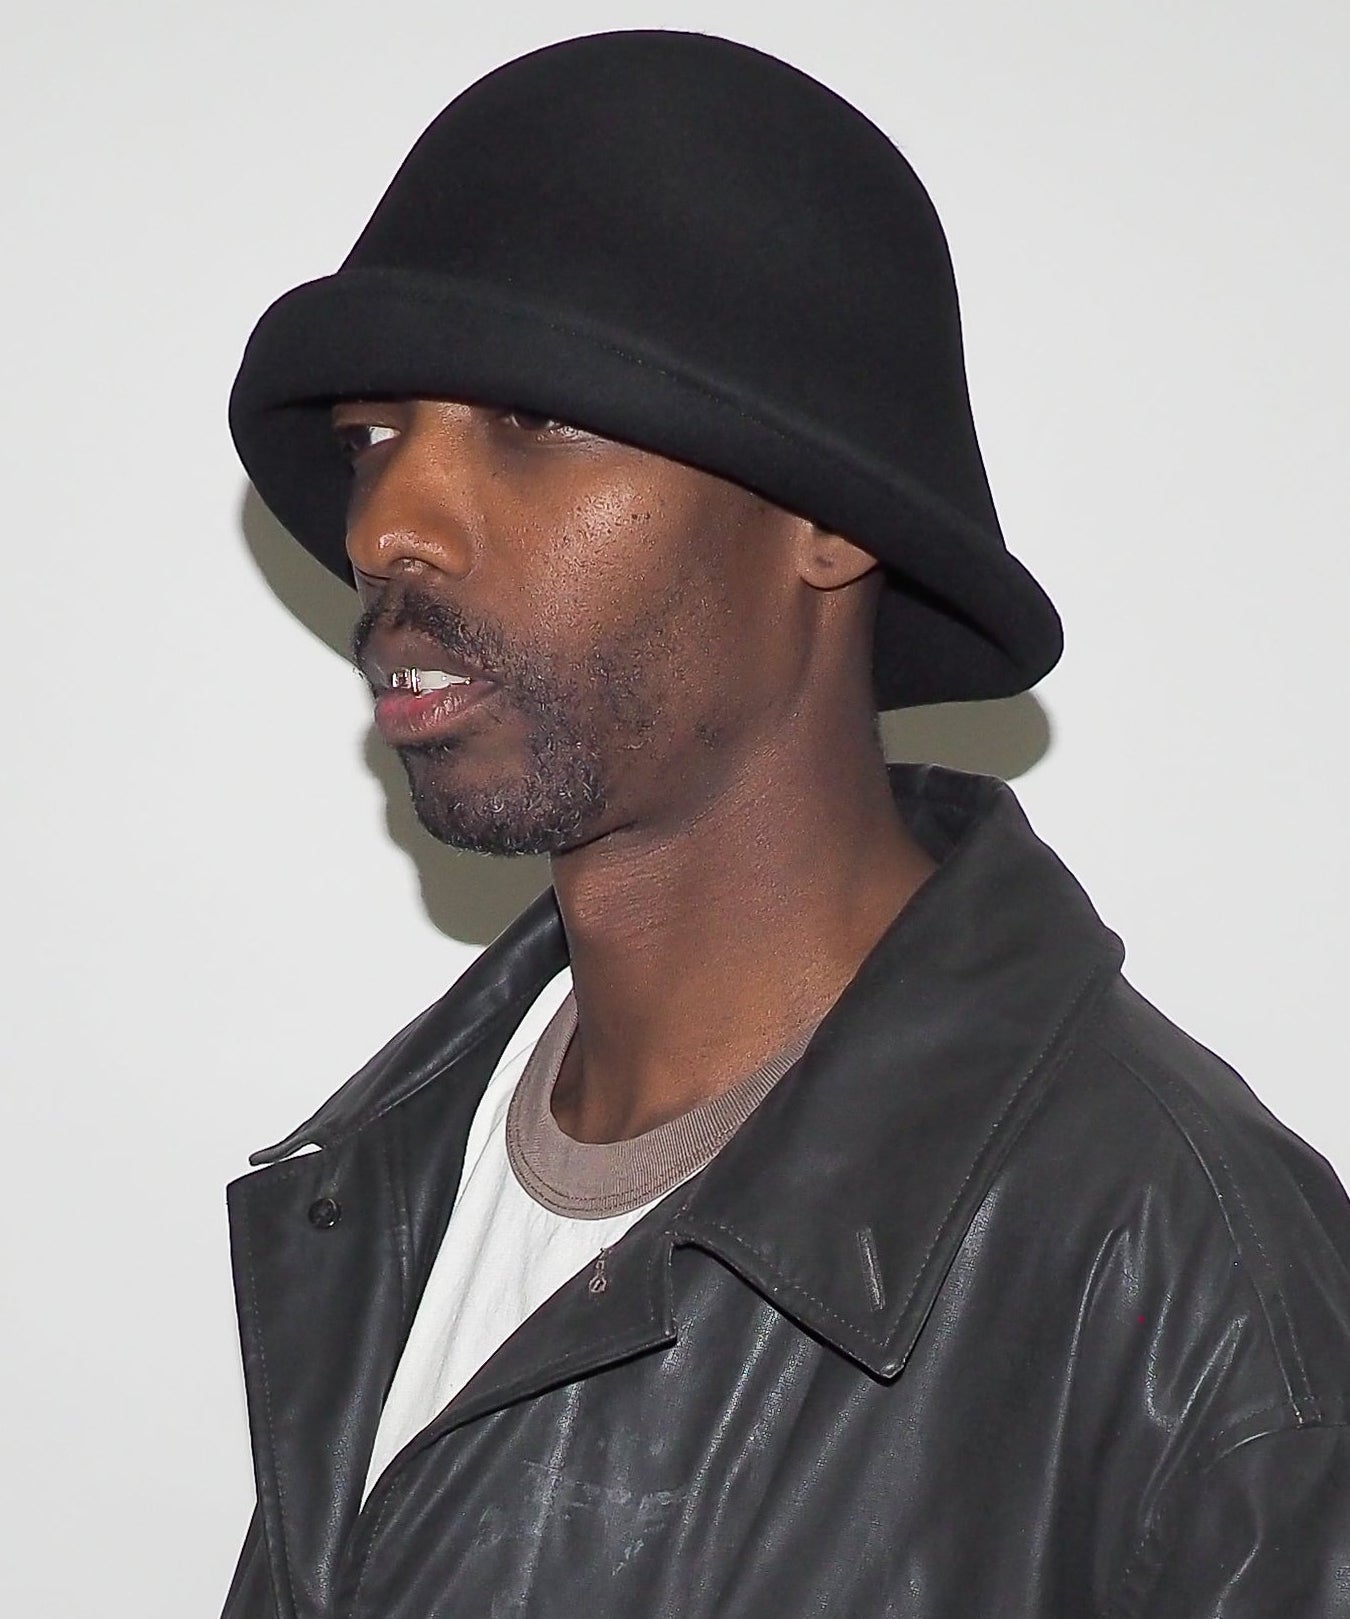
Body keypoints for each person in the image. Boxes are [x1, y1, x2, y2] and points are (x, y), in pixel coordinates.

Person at [222, 30, 1350, 1619]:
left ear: (824, 522)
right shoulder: (379, 1173)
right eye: (370, 439)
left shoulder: (1188, 1285)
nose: (390, 521)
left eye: (532, 424)